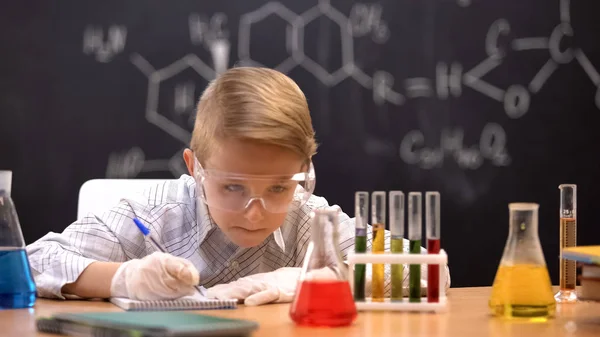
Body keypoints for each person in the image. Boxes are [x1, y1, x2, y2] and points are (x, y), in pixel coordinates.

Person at [26, 67, 450, 306]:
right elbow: (29, 262)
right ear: (195, 168)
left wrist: (308, 280)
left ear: (304, 172)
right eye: (232, 188)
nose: (256, 210)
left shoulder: (309, 218)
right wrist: (121, 278)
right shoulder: (152, 217)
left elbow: (433, 275)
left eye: (280, 188)